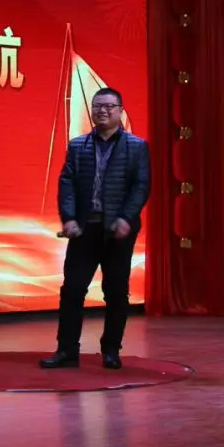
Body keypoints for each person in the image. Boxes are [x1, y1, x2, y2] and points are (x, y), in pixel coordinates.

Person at [39, 87, 150, 370]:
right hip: (84, 229)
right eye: (97, 105)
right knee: (72, 290)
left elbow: (141, 186)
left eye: (109, 106)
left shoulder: (136, 146)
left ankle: (111, 350)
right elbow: (67, 182)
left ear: (120, 111)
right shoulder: (78, 145)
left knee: (116, 292)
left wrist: (126, 217)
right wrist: (68, 217)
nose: (102, 111)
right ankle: (67, 351)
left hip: (117, 231)